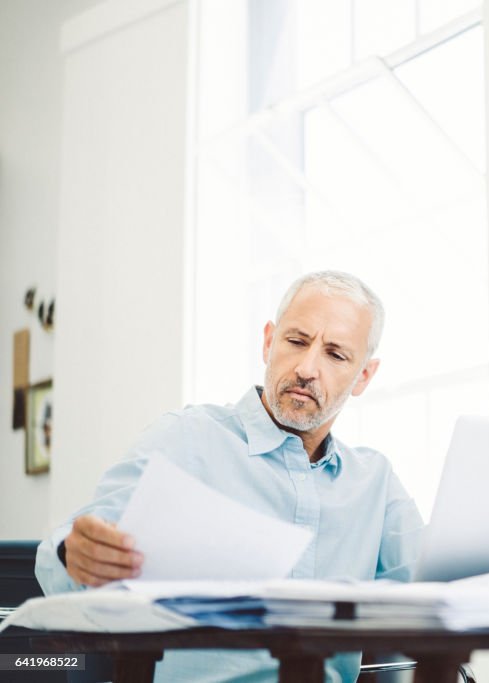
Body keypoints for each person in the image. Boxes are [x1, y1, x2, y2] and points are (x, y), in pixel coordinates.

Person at [35, 271, 424, 683]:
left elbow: (441, 593)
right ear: (268, 341)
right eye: (296, 341)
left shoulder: (375, 482)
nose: (307, 368)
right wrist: (75, 554)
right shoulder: (186, 438)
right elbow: (57, 563)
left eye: (335, 354)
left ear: (363, 375)